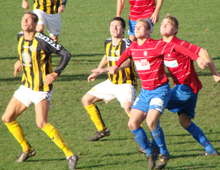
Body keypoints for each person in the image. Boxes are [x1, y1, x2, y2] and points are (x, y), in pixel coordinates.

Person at [108, 19, 208, 169]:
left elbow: (178, 48)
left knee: (151, 121)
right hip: (145, 91)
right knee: (132, 123)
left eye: (141, 27)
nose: (137, 29)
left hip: (160, 90)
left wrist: (197, 58)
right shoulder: (134, 46)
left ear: (148, 32)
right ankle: (150, 153)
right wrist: (115, 66)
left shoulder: (156, 45)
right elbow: (126, 53)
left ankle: (164, 153)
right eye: (136, 27)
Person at [2, 12, 78, 170]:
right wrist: (19, 61)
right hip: (26, 86)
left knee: (41, 122)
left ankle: (70, 155)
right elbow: (25, 52)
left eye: (28, 19)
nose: (24, 21)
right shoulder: (20, 36)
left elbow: (66, 54)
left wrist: (56, 72)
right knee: (7, 118)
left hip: (41, 89)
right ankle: (27, 149)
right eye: (23, 18)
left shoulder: (43, 40)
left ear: (35, 24)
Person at [157, 14, 219, 156]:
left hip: (185, 88)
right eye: (162, 23)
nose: (164, 25)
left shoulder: (180, 44)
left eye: (168, 23)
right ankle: (210, 150)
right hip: (189, 89)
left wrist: (214, 73)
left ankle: (155, 147)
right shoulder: (160, 45)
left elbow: (203, 51)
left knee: (156, 105)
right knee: (184, 121)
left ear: (175, 29)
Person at [81, 17, 137, 141]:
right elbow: (107, 56)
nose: (114, 28)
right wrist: (97, 71)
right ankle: (102, 130)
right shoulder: (107, 42)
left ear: (123, 29)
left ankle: (141, 137)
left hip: (125, 83)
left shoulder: (126, 43)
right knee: (86, 99)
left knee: (128, 107)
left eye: (118, 26)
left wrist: (108, 69)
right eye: (112, 25)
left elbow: (128, 62)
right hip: (111, 83)